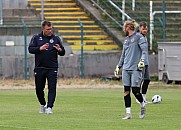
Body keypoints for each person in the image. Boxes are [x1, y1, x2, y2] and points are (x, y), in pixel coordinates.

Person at [28, 20, 65, 114]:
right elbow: (30, 49)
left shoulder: (56, 38)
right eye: (48, 29)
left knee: (52, 88)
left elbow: (63, 52)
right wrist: (40, 48)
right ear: (43, 29)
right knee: (39, 89)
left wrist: (59, 50)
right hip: (40, 67)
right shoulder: (36, 38)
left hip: (52, 68)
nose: (50, 31)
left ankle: (49, 107)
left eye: (51, 29)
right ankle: (43, 104)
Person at [114, 20, 147, 119]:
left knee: (135, 90)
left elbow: (144, 50)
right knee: (126, 91)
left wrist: (142, 61)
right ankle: (128, 113)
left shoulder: (139, 37)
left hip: (135, 68)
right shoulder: (126, 40)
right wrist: (118, 66)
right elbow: (123, 55)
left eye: (124, 27)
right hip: (126, 69)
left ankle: (142, 104)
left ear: (128, 27)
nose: (124, 29)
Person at [136, 21, 151, 104]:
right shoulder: (138, 37)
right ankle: (138, 98)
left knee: (147, 79)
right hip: (140, 62)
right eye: (143, 29)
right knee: (140, 80)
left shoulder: (144, 37)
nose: (145, 30)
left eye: (146, 29)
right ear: (140, 29)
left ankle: (143, 97)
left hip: (146, 62)